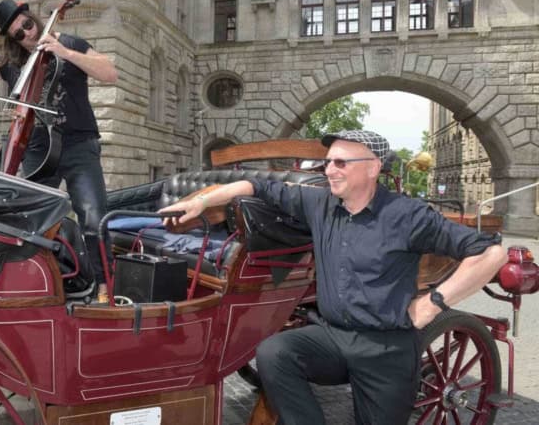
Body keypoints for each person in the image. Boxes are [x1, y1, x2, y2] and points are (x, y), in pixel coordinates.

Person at [159, 130, 507, 425]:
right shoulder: (320, 204)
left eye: (341, 162)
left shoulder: (407, 214)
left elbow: (491, 253)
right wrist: (202, 203)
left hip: (384, 347)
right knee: (275, 352)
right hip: (333, 337)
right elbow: (253, 184)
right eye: (328, 162)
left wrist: (433, 304)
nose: (329, 169)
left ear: (372, 168)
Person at [0, 0, 118, 301]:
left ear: (33, 18)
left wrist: (65, 52)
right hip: (37, 151)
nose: (28, 35)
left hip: (78, 146)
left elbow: (110, 72)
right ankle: (34, 282)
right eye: (18, 34)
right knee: (25, 220)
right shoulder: (14, 61)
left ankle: (104, 286)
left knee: (93, 215)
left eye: (28, 26)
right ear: (11, 39)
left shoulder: (69, 42)